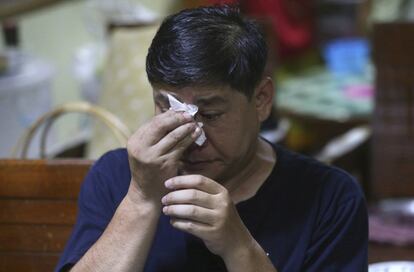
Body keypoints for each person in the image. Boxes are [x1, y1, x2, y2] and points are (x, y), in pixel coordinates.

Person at [56, 5, 368, 272]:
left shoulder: (330, 197)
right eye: (168, 108)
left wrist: (238, 247)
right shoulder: (117, 176)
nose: (191, 135)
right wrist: (140, 199)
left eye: (210, 114)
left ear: (261, 100)